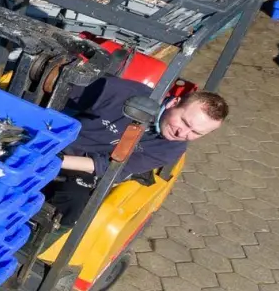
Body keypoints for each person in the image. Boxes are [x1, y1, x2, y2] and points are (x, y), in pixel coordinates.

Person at [46, 75, 227, 224]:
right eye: (185, 122)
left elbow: (112, 167)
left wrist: (53, 161)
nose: (182, 133)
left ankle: (39, 240)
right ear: (173, 103)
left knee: (73, 203)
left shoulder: (172, 149)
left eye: (196, 132)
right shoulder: (124, 94)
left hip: (82, 166)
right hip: (55, 139)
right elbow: (62, 88)